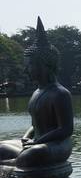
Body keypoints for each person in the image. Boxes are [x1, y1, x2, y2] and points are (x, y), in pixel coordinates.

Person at [0, 18, 73, 169]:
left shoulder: (60, 93)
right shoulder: (36, 93)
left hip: (57, 145)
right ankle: (18, 161)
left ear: (44, 65)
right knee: (1, 147)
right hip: (38, 141)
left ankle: (14, 163)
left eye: (30, 66)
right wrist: (26, 138)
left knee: (33, 154)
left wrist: (38, 142)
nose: (26, 70)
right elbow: (35, 125)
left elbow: (65, 129)